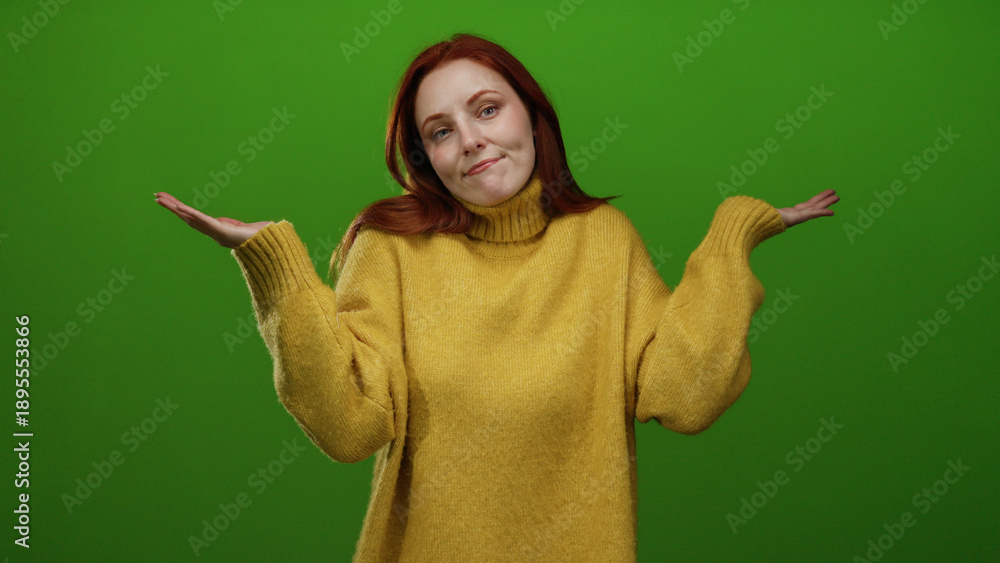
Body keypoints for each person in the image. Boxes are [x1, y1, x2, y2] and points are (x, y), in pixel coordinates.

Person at [155, 32, 837, 562]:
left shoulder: (602, 240)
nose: (471, 141)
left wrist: (732, 234)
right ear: (425, 158)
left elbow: (686, 394)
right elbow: (349, 424)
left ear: (531, 115)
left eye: (486, 109)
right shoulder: (391, 247)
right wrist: (274, 261)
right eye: (441, 130)